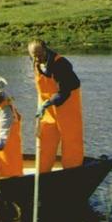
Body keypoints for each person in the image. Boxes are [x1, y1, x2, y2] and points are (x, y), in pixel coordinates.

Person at [28, 39, 84, 171]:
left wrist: (47, 103)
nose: (37, 58)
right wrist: (43, 105)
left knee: (70, 142)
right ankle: (41, 174)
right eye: (34, 56)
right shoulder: (36, 62)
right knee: (45, 140)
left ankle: (72, 172)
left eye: (40, 55)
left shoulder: (60, 64)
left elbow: (65, 92)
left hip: (67, 106)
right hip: (48, 109)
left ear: (46, 49)